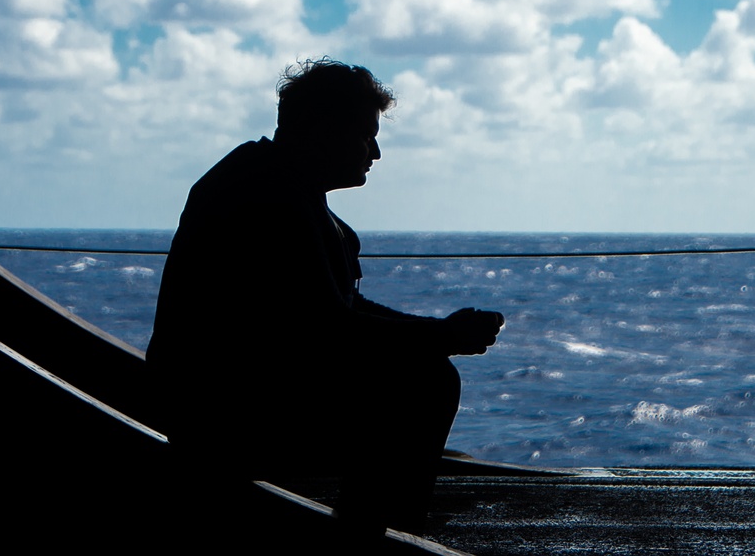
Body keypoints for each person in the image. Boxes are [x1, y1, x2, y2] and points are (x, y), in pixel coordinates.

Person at [146, 59, 504, 536]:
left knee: (420, 371)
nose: (374, 152)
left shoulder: (273, 183)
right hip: (224, 418)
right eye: (364, 135)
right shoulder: (270, 200)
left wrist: (437, 331)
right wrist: (442, 337)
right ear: (320, 130)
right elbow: (327, 331)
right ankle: (372, 542)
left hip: (219, 399)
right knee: (427, 383)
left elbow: (336, 310)